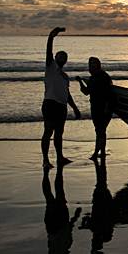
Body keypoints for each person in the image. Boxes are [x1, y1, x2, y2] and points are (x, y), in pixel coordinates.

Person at [42, 27, 81, 169]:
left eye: (64, 57)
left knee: (59, 133)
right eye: (60, 55)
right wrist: (51, 36)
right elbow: (48, 51)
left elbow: (67, 94)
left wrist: (75, 108)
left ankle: (60, 158)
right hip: (50, 103)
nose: (62, 58)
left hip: (61, 106)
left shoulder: (65, 76)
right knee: (48, 131)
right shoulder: (50, 66)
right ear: (55, 58)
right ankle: (45, 160)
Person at [43, 165, 81, 254]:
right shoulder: (66, 248)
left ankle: (46, 174)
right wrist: (76, 216)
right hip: (60, 223)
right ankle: (56, 171)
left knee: (51, 198)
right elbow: (69, 229)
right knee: (59, 194)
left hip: (54, 226)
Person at [76, 57, 113, 160]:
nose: (91, 66)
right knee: (99, 131)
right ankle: (101, 152)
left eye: (93, 64)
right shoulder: (92, 78)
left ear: (98, 65)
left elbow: (110, 94)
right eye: (90, 64)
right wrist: (80, 82)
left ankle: (97, 152)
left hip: (104, 108)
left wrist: (107, 108)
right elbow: (86, 92)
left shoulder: (104, 76)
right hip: (95, 107)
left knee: (101, 130)